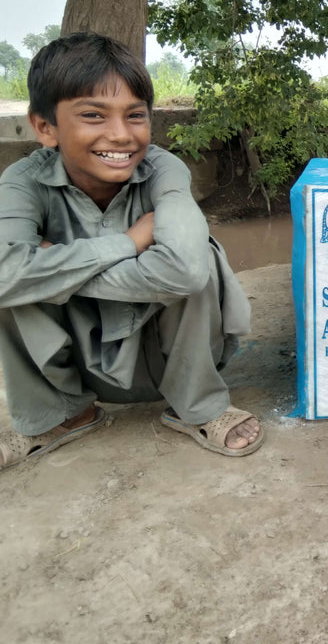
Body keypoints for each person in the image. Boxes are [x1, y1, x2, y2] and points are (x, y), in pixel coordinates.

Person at [0, 32, 263, 471]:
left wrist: (56, 267)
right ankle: (64, 414)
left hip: (160, 363)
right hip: (75, 365)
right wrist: (127, 244)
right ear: (45, 127)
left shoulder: (164, 170)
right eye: (92, 115)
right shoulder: (22, 182)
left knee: (201, 256)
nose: (120, 136)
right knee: (11, 284)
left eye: (135, 115)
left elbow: (183, 271)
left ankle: (197, 407)